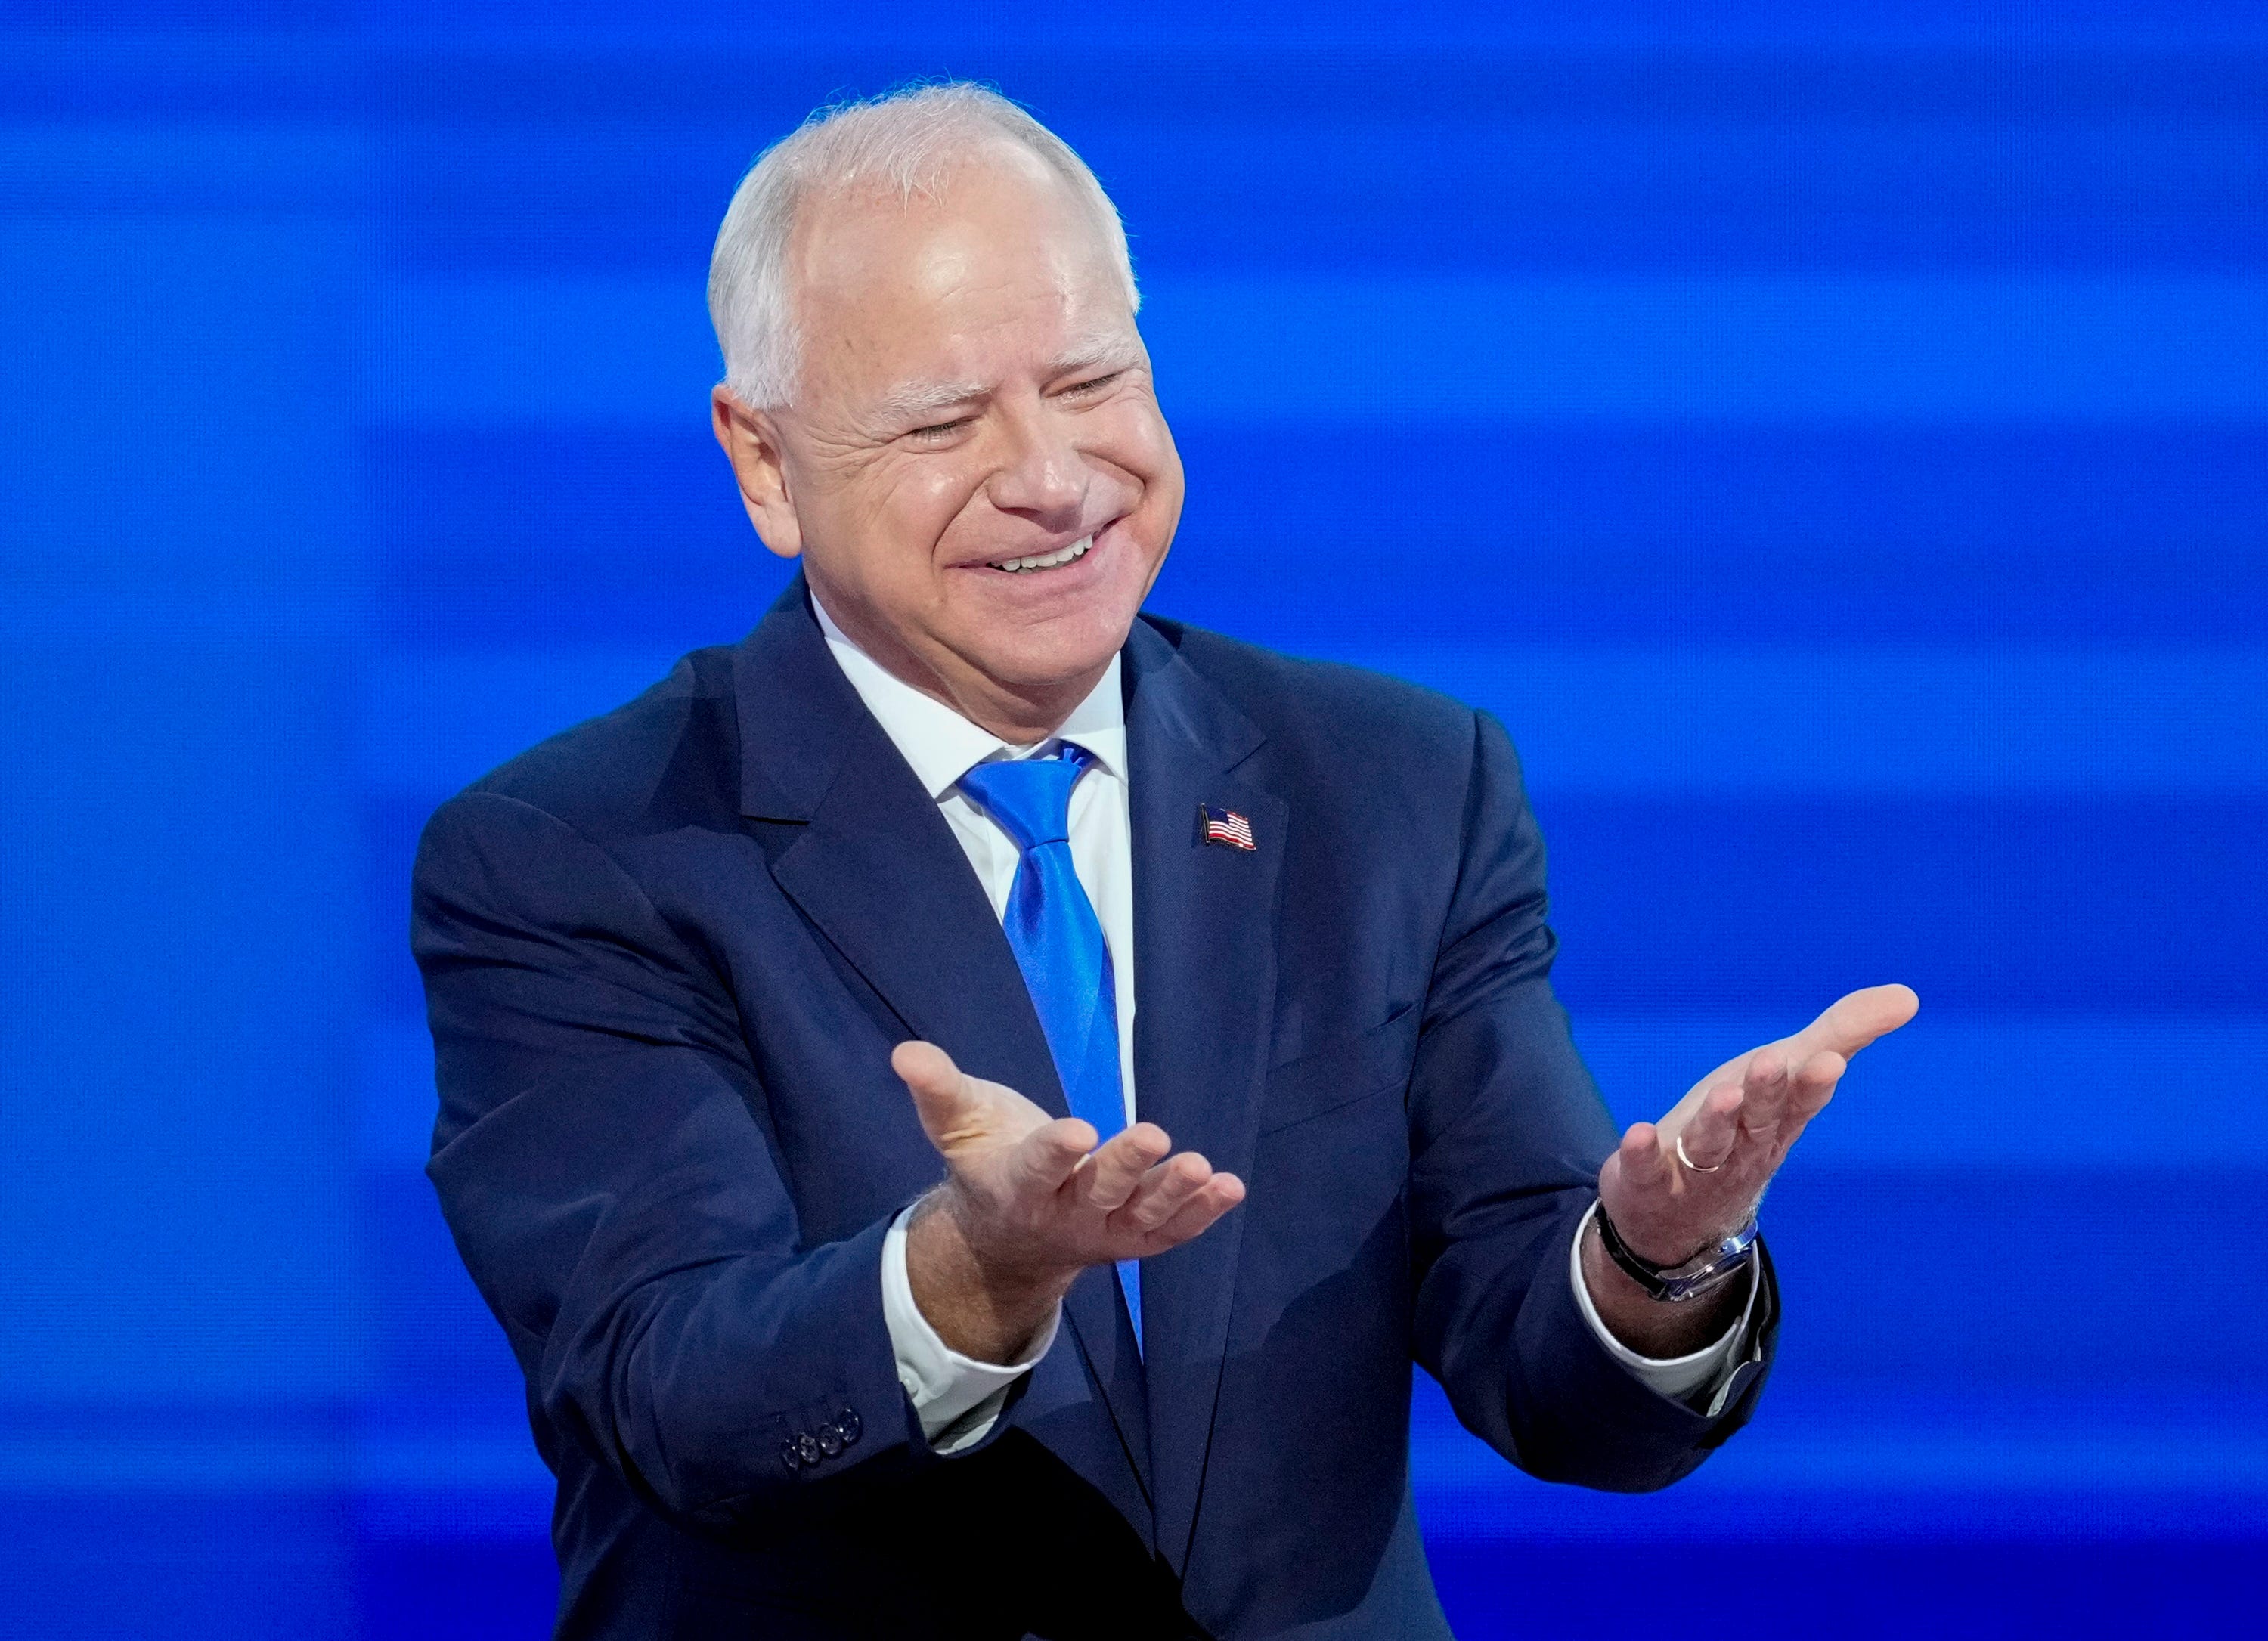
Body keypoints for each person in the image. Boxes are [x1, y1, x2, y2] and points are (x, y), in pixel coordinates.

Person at [411, 83, 1918, 1640]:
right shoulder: (578, 855)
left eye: (1091, 381)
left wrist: (1650, 1267)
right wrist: (967, 1278)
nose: (1054, 476)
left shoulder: (1397, 785)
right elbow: (679, 1399)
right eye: (945, 421)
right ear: (766, 463)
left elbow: (1560, 1385)